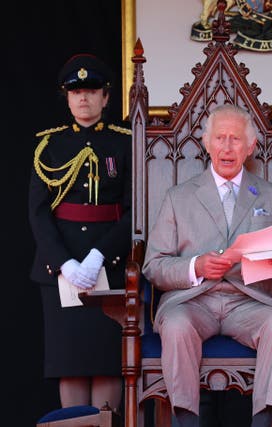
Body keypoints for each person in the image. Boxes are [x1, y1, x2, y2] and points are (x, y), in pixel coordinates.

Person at [141, 104, 272, 427]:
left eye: (235, 139)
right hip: (192, 301)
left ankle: (264, 421)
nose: (227, 147)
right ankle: (186, 421)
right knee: (177, 326)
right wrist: (195, 266)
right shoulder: (178, 197)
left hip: (250, 302)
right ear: (206, 144)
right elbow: (153, 267)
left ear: (250, 147)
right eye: (220, 138)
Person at [28, 53, 131, 412]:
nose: (83, 98)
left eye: (91, 90)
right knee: (68, 365)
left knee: (107, 364)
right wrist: (64, 264)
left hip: (110, 264)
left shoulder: (125, 142)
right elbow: (39, 214)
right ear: (67, 97)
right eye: (75, 92)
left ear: (106, 96)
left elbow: (133, 213)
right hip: (62, 271)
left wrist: (100, 255)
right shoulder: (49, 145)